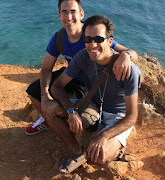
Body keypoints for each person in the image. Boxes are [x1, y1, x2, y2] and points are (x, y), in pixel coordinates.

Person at [25, 0, 138, 136]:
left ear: (81, 14)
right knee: (33, 91)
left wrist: (126, 55)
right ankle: (49, 120)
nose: (69, 16)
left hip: (89, 82)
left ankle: (68, 122)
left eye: (73, 11)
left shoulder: (92, 35)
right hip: (70, 76)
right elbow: (46, 68)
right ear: (59, 15)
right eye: (64, 12)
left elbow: (131, 52)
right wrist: (45, 94)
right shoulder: (59, 37)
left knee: (65, 104)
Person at [43, 14, 141, 174]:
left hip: (117, 117)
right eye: (88, 39)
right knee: (48, 108)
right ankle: (77, 151)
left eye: (98, 39)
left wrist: (104, 137)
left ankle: (115, 146)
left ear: (110, 41)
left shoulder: (129, 71)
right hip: (92, 106)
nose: (92, 45)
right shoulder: (83, 56)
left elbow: (131, 116)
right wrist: (70, 111)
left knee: (100, 156)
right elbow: (57, 86)